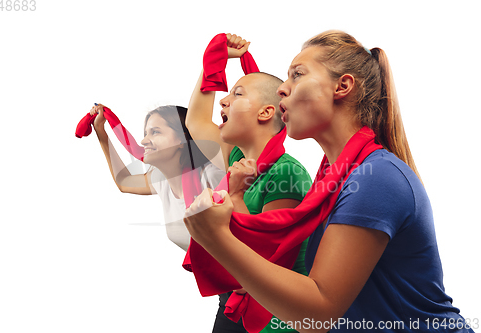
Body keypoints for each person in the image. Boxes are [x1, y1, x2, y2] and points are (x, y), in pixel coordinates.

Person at [183, 30, 475, 333]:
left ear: (343, 86)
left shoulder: (375, 178)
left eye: (297, 75)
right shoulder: (334, 181)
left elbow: (320, 313)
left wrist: (215, 236)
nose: (283, 89)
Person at [185, 34, 312, 332]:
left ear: (266, 112)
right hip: (235, 300)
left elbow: (265, 260)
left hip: (271, 316)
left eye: (237, 94)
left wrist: (236, 194)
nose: (225, 101)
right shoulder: (237, 157)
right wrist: (212, 65)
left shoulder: (286, 174)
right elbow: (195, 122)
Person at [89, 104, 225, 251]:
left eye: (155, 132)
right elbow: (123, 182)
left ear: (182, 140)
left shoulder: (212, 177)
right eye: (146, 133)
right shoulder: (162, 181)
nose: (143, 141)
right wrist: (100, 131)